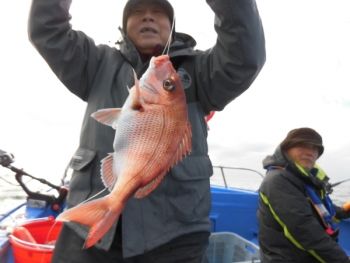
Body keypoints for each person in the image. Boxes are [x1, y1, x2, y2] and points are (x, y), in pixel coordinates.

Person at [28, 0, 266, 262]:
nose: (148, 18)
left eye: (158, 13)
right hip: (85, 233)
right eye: (138, 12)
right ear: (125, 25)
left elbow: (245, 56)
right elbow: (48, 30)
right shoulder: (96, 63)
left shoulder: (200, 71)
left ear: (171, 28)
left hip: (177, 236)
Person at [257, 127, 350, 263]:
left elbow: (319, 209)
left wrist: (343, 211)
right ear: (286, 149)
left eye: (314, 148)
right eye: (302, 146)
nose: (309, 152)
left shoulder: (302, 178)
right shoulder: (278, 180)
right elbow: (304, 230)